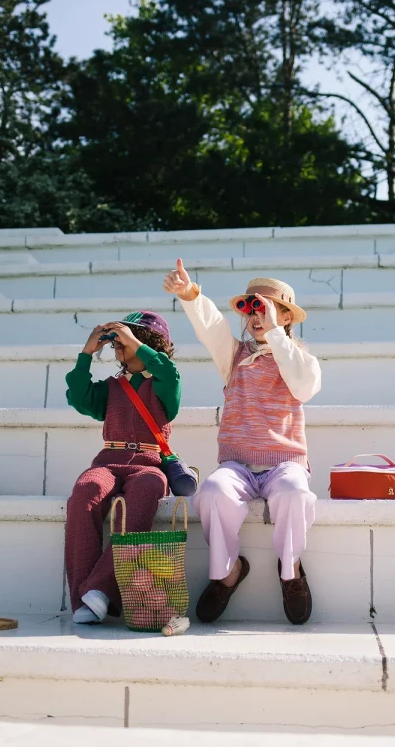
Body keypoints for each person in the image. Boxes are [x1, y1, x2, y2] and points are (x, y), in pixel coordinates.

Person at [163, 260, 321, 625]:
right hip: (238, 464)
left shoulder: (302, 361)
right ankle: (227, 572)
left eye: (265, 308)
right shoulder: (235, 356)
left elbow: (302, 386)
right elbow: (211, 328)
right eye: (251, 306)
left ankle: (291, 567)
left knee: (295, 493)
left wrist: (276, 335)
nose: (255, 315)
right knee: (214, 492)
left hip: (285, 462)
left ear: (285, 316)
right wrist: (190, 294)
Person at [64, 311, 180, 624]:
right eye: (116, 345)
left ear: (148, 344)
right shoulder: (111, 388)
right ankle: (82, 601)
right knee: (84, 493)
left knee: (145, 495)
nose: (119, 350)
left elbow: (167, 371)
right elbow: (78, 397)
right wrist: (87, 353)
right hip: (108, 462)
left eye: (125, 343)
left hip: (149, 465)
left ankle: (100, 591)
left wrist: (132, 340)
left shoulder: (165, 384)